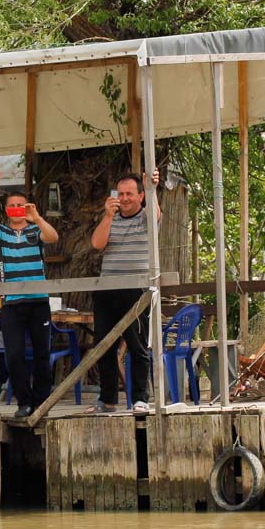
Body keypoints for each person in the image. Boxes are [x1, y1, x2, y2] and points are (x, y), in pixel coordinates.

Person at [0, 163, 60, 418]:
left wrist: (36, 218)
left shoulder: (36, 230)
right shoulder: (0, 233)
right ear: (5, 209)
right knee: (13, 355)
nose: (16, 210)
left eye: (20, 206)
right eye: (12, 205)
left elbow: (53, 237)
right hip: (11, 303)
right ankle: (24, 401)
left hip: (38, 302)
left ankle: (41, 401)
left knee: (42, 354)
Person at [88, 170, 161, 413]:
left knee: (137, 345)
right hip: (107, 289)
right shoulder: (112, 218)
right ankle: (107, 399)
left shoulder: (146, 217)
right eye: (121, 193)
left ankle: (140, 398)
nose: (125, 198)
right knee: (104, 345)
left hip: (136, 290)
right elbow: (97, 244)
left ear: (141, 196)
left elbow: (156, 215)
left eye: (130, 193)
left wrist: (152, 188)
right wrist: (108, 216)